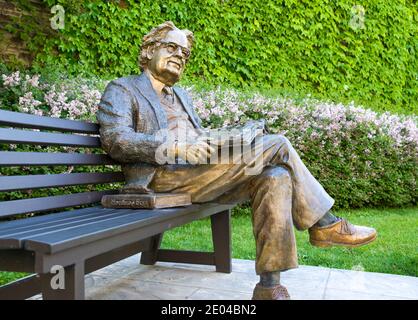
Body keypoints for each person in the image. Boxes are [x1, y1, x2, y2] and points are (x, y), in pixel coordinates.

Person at [97, 21, 377, 300]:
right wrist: (176, 148)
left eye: (184, 54)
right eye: (171, 47)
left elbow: (199, 137)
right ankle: (325, 225)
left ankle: (269, 287)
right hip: (161, 177)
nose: (179, 57)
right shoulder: (123, 89)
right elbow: (116, 140)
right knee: (279, 144)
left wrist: (234, 136)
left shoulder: (180, 96)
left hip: (199, 172)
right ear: (148, 51)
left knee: (275, 175)